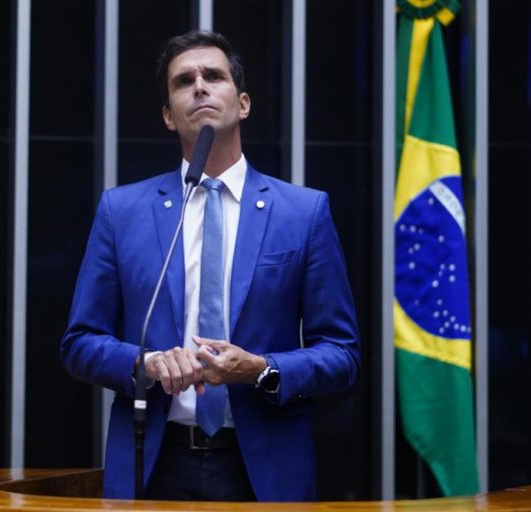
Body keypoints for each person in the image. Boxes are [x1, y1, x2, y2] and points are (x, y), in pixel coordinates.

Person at [61, 30, 359, 502]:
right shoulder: (123, 211)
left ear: (242, 104)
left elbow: (342, 354)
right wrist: (147, 363)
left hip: (261, 467)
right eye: (183, 81)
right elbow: (79, 342)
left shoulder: (304, 213)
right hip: (155, 462)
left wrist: (261, 368)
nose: (199, 86)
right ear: (167, 114)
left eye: (213, 76)